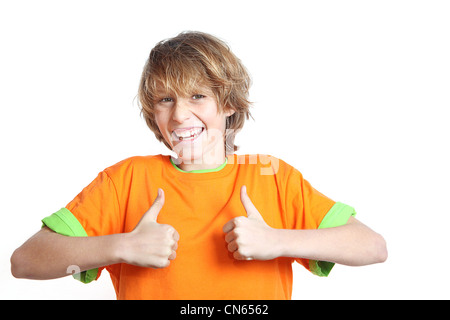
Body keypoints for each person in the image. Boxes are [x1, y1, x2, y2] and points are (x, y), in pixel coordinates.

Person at [10, 31, 387, 300]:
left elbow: (371, 247)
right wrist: (121, 246)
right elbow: (25, 261)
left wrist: (279, 240)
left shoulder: (271, 175)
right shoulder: (126, 179)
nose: (179, 115)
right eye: (165, 99)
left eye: (198, 96)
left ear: (230, 104)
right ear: (152, 113)